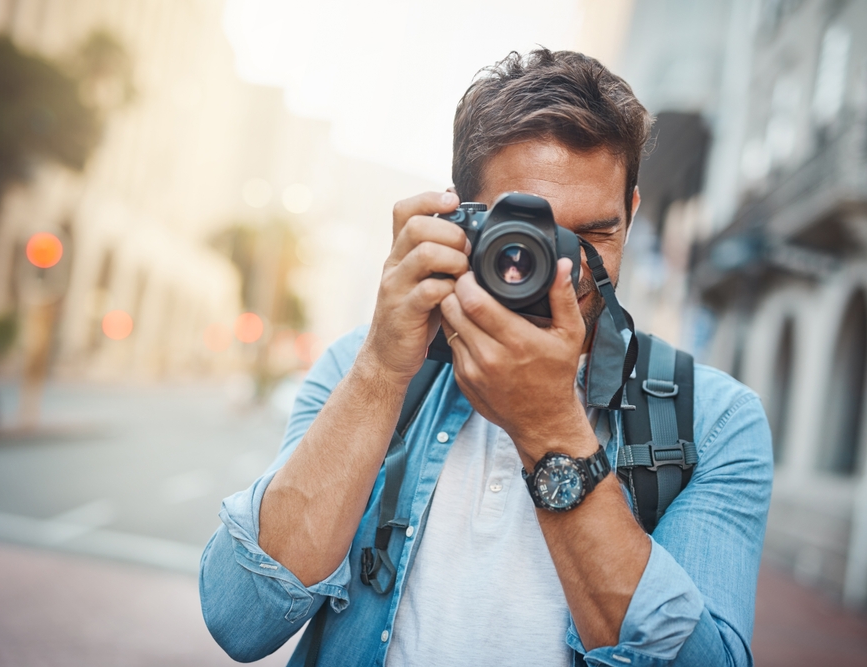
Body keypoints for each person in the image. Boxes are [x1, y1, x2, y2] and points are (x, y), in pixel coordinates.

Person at [199, 49, 773, 666]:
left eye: (595, 235)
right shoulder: (359, 369)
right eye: (528, 232)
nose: (566, 269)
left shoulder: (713, 421)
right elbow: (241, 619)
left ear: (631, 216)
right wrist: (382, 371)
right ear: (458, 216)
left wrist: (550, 427)